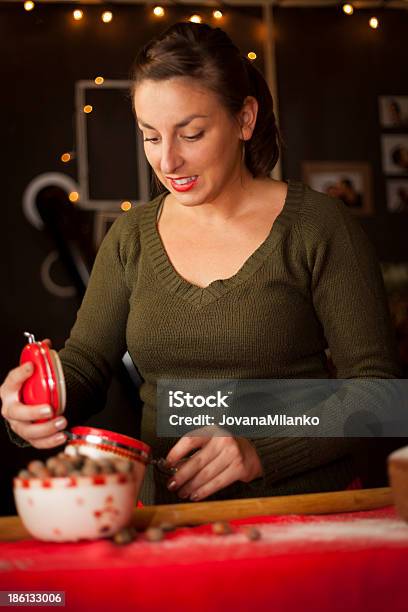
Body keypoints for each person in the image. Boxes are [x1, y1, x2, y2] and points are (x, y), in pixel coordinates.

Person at [0, 22, 401, 504]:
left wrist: (262, 449)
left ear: (244, 119)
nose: (167, 162)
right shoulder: (131, 237)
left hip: (302, 509)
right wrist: (35, 403)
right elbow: (86, 367)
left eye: (191, 134)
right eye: (150, 137)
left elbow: (379, 396)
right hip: (166, 520)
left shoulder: (317, 226)